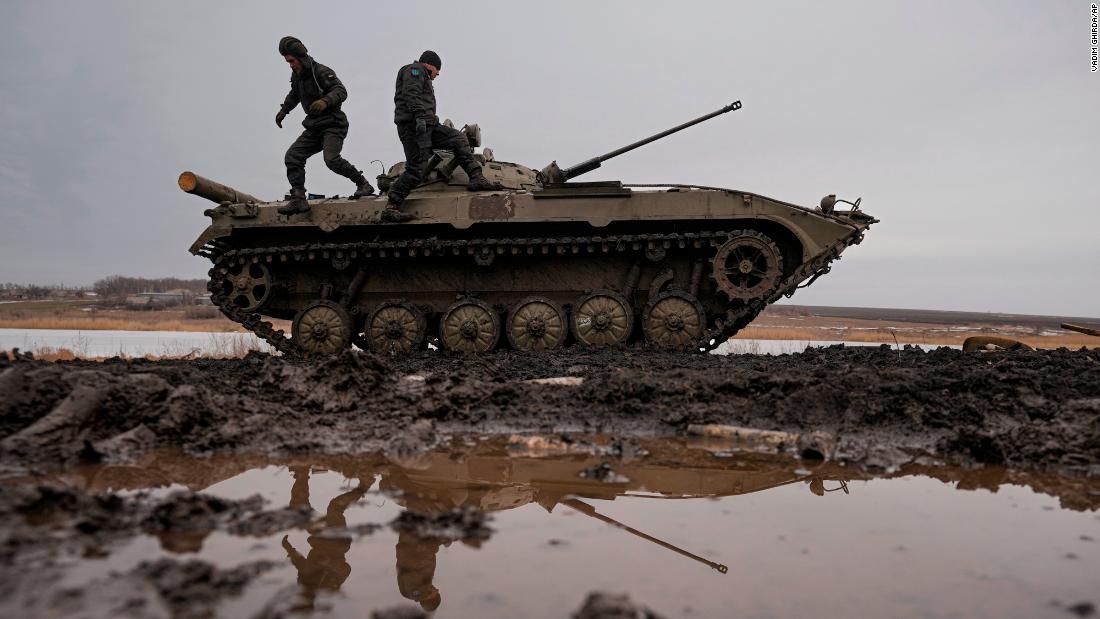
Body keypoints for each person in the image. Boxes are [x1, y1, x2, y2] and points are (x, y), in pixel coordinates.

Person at [384, 50, 501, 222]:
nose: (438, 73)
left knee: (458, 139)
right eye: (437, 69)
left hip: (430, 125)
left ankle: (476, 177)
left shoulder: (423, 75)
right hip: (415, 127)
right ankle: (391, 206)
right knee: (417, 169)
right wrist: (419, 117)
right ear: (429, 64)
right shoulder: (414, 70)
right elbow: (411, 93)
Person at [275, 36, 374, 216]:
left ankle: (363, 184)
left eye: (292, 61)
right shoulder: (297, 76)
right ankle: (299, 199)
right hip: (314, 127)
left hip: (333, 124)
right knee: (293, 156)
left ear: (301, 57)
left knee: (331, 159)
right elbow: (294, 94)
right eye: (288, 62)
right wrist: (284, 111)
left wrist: (325, 101)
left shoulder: (321, 71)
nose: (290, 65)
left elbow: (341, 91)